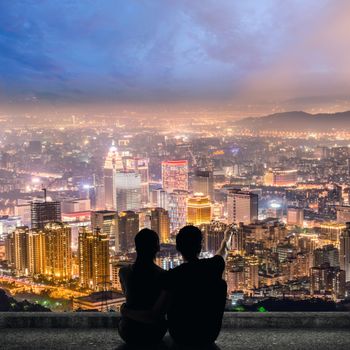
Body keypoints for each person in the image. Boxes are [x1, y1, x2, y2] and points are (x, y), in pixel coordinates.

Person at [122, 224, 235, 347]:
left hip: (181, 335)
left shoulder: (172, 276)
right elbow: (223, 251)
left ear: (178, 248)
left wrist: (125, 311)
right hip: (210, 335)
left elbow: (155, 314)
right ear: (200, 246)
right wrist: (227, 236)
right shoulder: (214, 265)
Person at [118, 228, 167, 346]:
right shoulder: (163, 275)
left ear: (136, 248)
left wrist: (125, 311)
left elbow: (130, 297)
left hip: (128, 331)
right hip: (155, 332)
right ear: (157, 248)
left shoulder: (124, 272)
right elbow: (157, 313)